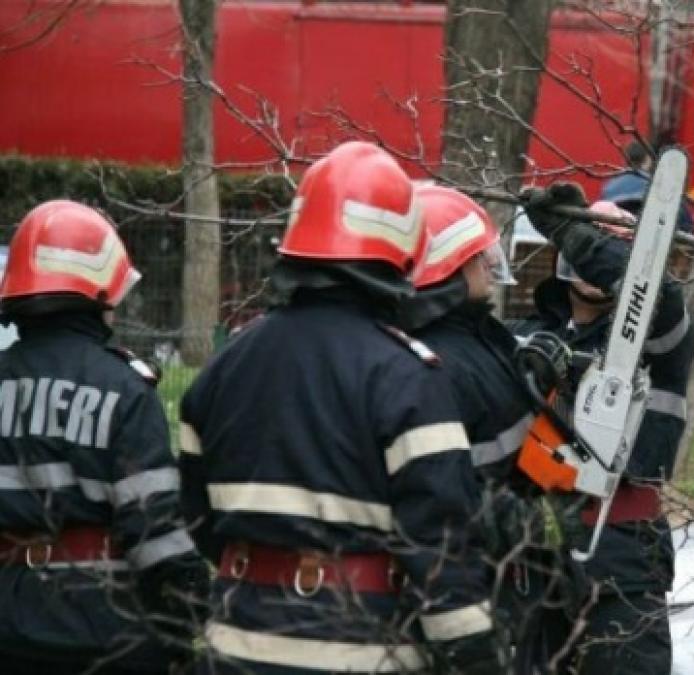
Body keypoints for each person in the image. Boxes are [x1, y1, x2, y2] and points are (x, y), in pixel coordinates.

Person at [178, 142, 503, 674]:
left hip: (235, 646)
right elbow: (442, 549)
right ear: (402, 246)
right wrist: (476, 656)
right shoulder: (409, 376)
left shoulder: (225, 364)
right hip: (364, 649)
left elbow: (197, 515)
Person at [0, 200, 208, 674]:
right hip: (104, 634)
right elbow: (158, 540)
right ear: (100, 293)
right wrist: (184, 626)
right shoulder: (125, 391)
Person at [515, 183, 694, 674]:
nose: (595, 269)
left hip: (622, 552)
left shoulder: (661, 336)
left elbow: (648, 293)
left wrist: (574, 232)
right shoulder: (528, 337)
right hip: (533, 550)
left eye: (613, 252)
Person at [404, 185, 579, 674]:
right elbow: (455, 491)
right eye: (477, 256)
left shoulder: (478, 338)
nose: (489, 265)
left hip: (515, 577)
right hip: (487, 581)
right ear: (446, 268)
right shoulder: (443, 360)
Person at [599, 141, 694, 235]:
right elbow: (688, 228)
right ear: (648, 160)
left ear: (624, 160)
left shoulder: (609, 187)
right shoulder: (660, 188)